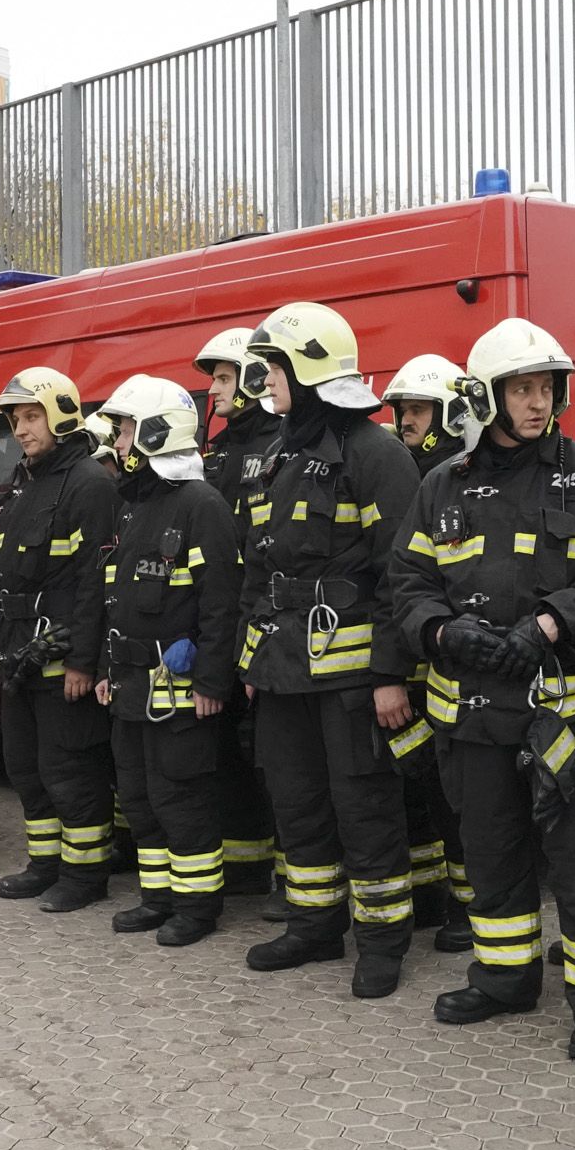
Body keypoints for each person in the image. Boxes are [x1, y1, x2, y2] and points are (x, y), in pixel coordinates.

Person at [388, 318, 575, 1062]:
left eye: (546, 388)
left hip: (570, 711)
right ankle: (504, 977)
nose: (538, 403)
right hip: (472, 714)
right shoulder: (443, 483)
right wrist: (439, 632)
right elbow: (406, 582)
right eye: (522, 389)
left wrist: (550, 624)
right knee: (491, 852)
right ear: (490, 396)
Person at [237, 301, 421, 998]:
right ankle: (314, 925)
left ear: (309, 371)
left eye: (275, 368)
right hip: (283, 674)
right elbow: (258, 566)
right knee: (297, 803)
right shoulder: (278, 453)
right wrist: (253, 659)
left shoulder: (375, 453)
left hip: (353, 684)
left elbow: (400, 574)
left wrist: (389, 674)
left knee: (364, 807)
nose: (267, 382)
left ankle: (381, 941)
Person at [93, 374, 244, 946]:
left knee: (181, 799)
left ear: (158, 432)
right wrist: (109, 671)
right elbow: (116, 598)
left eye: (127, 429)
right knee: (139, 797)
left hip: (179, 691)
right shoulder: (134, 507)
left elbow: (220, 600)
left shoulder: (199, 503)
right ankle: (157, 897)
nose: (120, 441)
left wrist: (211, 679)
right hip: (131, 685)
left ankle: (197, 906)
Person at [0, 367, 119, 907]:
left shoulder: (89, 484)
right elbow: (2, 576)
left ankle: (85, 876)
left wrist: (84, 662)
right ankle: (46, 862)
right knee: (26, 767)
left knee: (71, 771)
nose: (21, 429)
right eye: (16, 420)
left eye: (32, 417)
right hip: (17, 656)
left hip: (63, 659)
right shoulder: (23, 482)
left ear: (62, 414)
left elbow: (94, 583)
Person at [378, 353, 485, 952]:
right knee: (414, 786)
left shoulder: (461, 479)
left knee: (459, 797)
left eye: (417, 410)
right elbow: (398, 585)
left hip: (455, 670)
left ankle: (469, 908)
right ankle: (427, 896)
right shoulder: (407, 478)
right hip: (414, 666)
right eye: (403, 411)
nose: (406, 421)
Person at [196, 326, 283, 905]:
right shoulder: (219, 449)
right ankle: (245, 868)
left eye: (224, 378)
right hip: (217, 622)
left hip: (260, 623)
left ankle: (286, 874)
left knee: (270, 760)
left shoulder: (277, 444)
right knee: (227, 755)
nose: (215, 391)